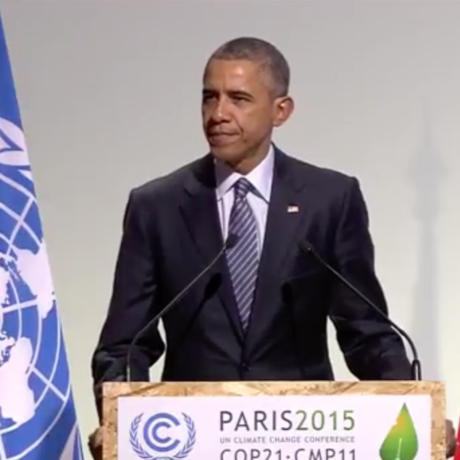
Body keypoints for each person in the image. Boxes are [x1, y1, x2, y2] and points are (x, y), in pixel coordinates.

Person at [88, 37, 456, 458]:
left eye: (239, 99)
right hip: (192, 440)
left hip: (301, 439)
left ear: (281, 111)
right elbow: (125, 345)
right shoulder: (157, 206)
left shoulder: (329, 198)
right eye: (210, 97)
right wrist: (118, 419)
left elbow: (366, 332)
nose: (218, 114)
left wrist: (414, 405)